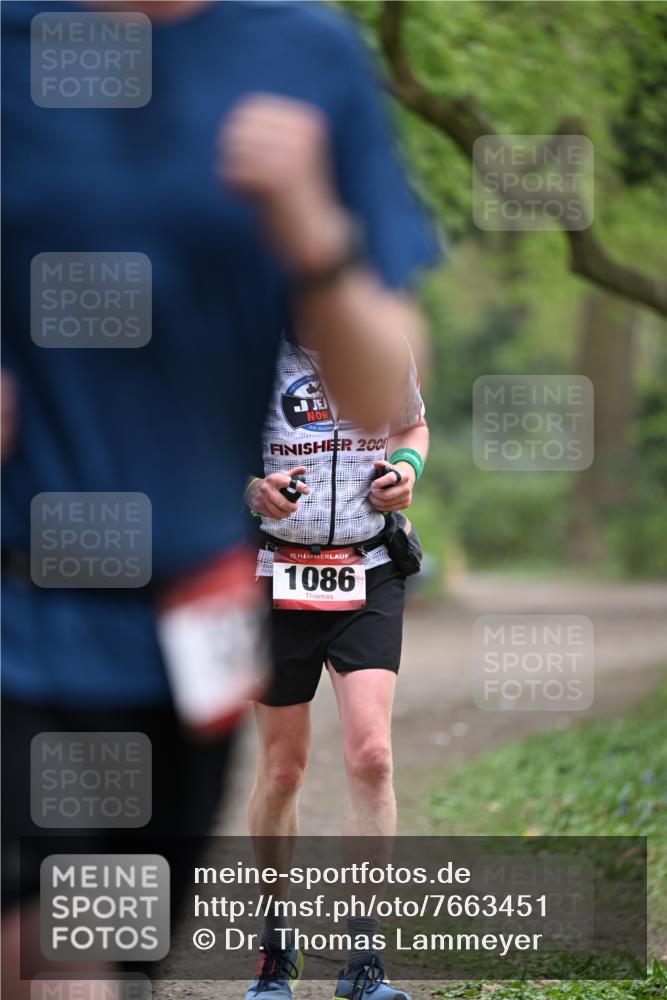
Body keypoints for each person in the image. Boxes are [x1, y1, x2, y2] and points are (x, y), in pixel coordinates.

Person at [2, 1, 438, 996]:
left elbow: (387, 390)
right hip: (20, 596)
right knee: (50, 951)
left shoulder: (303, 52)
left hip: (192, 615)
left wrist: (314, 237)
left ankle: (352, 956)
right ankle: (279, 954)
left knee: (115, 951)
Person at [243, 329, 429, 1000]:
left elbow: (411, 424)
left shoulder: (378, 339)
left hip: (368, 568)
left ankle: (363, 960)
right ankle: (275, 947)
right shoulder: (247, 342)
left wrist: (406, 469)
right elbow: (203, 446)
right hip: (273, 573)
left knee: (372, 756)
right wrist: (252, 489)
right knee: (283, 768)